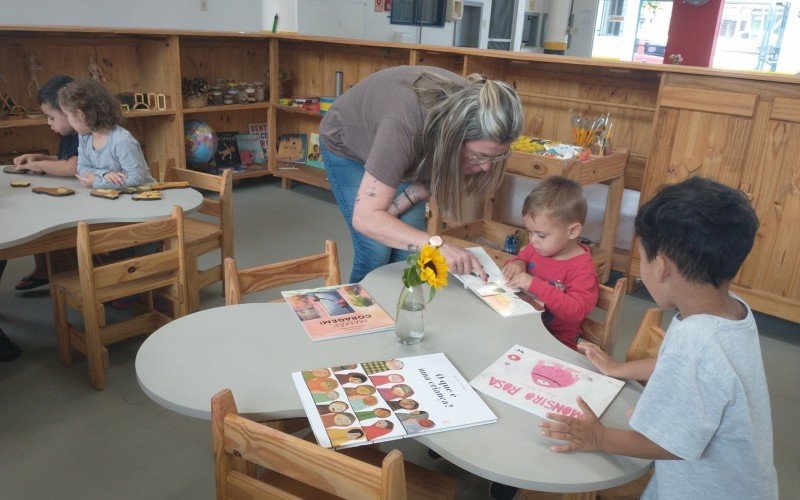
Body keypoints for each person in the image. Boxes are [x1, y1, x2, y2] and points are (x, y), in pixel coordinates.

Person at [540, 177, 777, 499]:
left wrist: (598, 438)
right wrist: (622, 369)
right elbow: (705, 373)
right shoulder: (731, 311)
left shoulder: (696, 340)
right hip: (743, 484)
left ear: (662, 266)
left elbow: (668, 443)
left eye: (642, 258)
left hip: (703, 490)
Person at [320, 65, 524, 282]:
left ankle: (399, 308)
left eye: (495, 157)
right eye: (480, 156)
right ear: (455, 136)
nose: (486, 167)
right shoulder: (403, 127)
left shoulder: (477, 118)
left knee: (408, 252)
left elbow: (419, 190)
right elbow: (366, 219)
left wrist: (414, 197)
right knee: (375, 250)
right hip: (348, 145)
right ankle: (362, 313)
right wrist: (438, 244)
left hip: (401, 145)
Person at [502, 176, 599, 350]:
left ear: (573, 231)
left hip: (556, 343)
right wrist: (517, 262)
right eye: (529, 232)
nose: (533, 240)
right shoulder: (537, 248)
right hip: (522, 328)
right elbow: (522, 257)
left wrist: (533, 284)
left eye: (541, 235)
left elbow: (576, 313)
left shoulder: (583, 269)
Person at [9, 75, 78, 291]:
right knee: (35, 207)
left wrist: (40, 166)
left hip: (81, 197)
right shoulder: (68, 133)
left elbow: (72, 167)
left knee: (39, 214)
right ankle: (45, 268)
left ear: (71, 112)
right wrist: (38, 158)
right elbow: (64, 160)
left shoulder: (82, 133)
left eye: (51, 117)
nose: (49, 123)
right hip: (74, 192)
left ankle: (51, 268)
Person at [58, 78, 155, 189]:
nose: (68, 121)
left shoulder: (121, 140)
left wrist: (97, 182)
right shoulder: (84, 137)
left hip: (143, 196)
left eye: (67, 115)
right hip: (115, 196)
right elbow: (81, 168)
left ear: (81, 115)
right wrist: (104, 174)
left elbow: (135, 178)